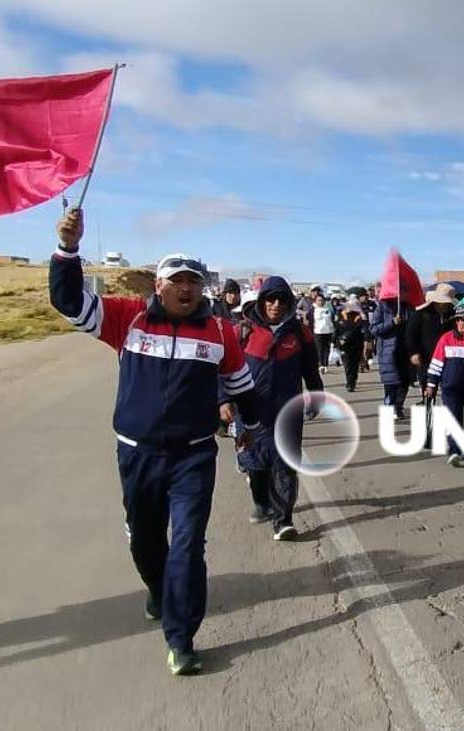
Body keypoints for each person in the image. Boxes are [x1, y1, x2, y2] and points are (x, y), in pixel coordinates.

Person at [49, 208, 258, 677]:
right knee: (146, 540)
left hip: (193, 457)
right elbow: (67, 301)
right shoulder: (127, 318)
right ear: (159, 286)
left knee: (187, 544)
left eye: (194, 281)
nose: (186, 288)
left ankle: (181, 637)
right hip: (137, 453)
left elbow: (244, 388)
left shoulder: (221, 331)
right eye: (177, 280)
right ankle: (157, 587)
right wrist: (67, 250)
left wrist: (252, 431)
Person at [230, 276, 324, 540]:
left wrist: (316, 394)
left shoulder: (299, 333)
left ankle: (283, 520)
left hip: (287, 411)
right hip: (250, 412)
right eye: (270, 299)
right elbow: (225, 370)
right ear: (262, 301)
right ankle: (261, 501)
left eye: (282, 299)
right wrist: (224, 401)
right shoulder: (243, 331)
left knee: (285, 463)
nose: (276, 304)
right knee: (255, 464)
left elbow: (310, 369)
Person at [424, 306, 464, 467]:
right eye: (459, 320)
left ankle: (460, 445)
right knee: (453, 416)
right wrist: (431, 385)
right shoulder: (446, 339)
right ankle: (454, 451)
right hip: (450, 388)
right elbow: (436, 364)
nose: (462, 324)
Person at [407, 284, 457, 395]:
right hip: (426, 356)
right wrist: (413, 352)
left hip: (447, 356)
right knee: (429, 388)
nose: (446, 306)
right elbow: (411, 335)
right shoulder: (420, 314)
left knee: (449, 387)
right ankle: (428, 409)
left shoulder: (452, 315)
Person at [370, 296, 410, 418]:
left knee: (405, 381)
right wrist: (392, 322)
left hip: (405, 348)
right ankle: (389, 405)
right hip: (388, 349)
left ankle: (398, 406)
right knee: (391, 381)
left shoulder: (408, 306)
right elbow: (374, 329)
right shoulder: (382, 307)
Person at [336, 303, 367, 391]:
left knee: (354, 365)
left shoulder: (359, 316)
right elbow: (337, 329)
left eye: (351, 306)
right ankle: (349, 383)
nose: (349, 308)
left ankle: (353, 381)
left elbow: (365, 329)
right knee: (347, 365)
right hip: (344, 345)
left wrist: (367, 340)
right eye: (347, 306)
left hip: (357, 344)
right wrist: (334, 341)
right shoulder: (341, 315)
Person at [311, 293, 335, 374]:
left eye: (322, 300)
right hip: (318, 332)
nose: (320, 302)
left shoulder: (328, 309)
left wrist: (333, 329)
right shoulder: (313, 309)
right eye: (319, 300)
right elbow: (309, 321)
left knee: (327, 349)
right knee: (319, 349)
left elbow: (332, 320)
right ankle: (321, 364)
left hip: (328, 331)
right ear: (316, 301)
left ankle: (326, 365)